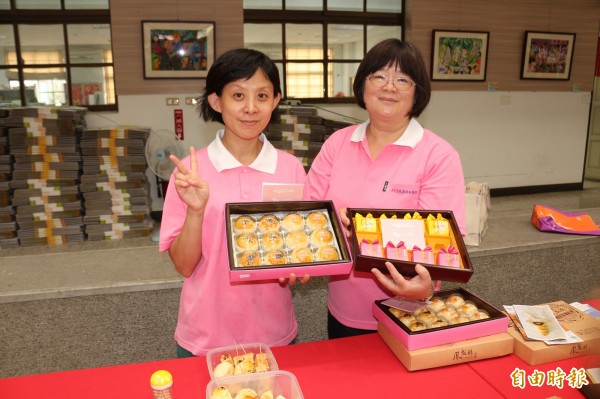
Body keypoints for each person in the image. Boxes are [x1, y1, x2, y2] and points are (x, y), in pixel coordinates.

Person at [304, 39, 466, 339]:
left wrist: (427, 285)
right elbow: (309, 214)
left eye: (402, 79)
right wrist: (331, 224)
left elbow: (446, 242)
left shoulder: (438, 155)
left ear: (417, 92)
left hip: (410, 313)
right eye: (378, 76)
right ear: (362, 85)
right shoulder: (337, 144)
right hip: (344, 309)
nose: (389, 87)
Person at [159, 48, 308, 357]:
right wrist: (196, 211)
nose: (251, 108)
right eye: (238, 96)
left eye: (262, 96)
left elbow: (299, 248)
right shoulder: (190, 173)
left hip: (274, 335)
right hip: (204, 337)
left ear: (276, 100)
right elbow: (184, 265)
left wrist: (303, 266)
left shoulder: (290, 167)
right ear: (217, 101)